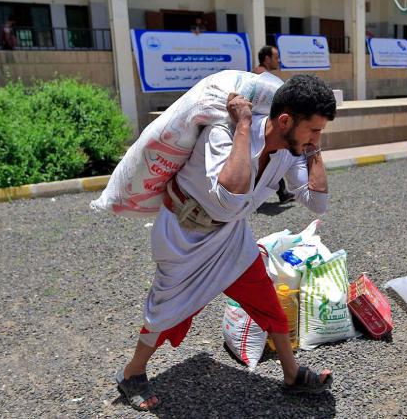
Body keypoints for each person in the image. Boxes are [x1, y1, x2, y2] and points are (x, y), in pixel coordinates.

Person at [115, 74, 336, 412]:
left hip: (230, 236)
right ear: (285, 121)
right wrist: (244, 125)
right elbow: (228, 201)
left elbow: (316, 202)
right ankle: (132, 373)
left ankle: (292, 375)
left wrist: (312, 148)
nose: (316, 138)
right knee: (166, 310)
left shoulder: (291, 151)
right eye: (314, 130)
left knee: (266, 299)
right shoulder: (226, 132)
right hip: (183, 234)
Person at [252, 45, 295, 204]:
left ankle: (281, 193)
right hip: (261, 128)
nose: (278, 60)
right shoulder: (260, 75)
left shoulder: (264, 74)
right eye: (276, 57)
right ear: (267, 58)